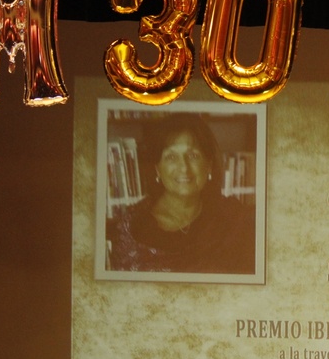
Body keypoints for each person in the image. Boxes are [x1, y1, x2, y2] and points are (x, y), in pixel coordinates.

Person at [107, 113, 256, 275]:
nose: (184, 167)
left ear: (209, 165)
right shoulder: (133, 228)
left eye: (193, 156)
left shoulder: (235, 220)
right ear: (157, 169)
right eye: (171, 157)